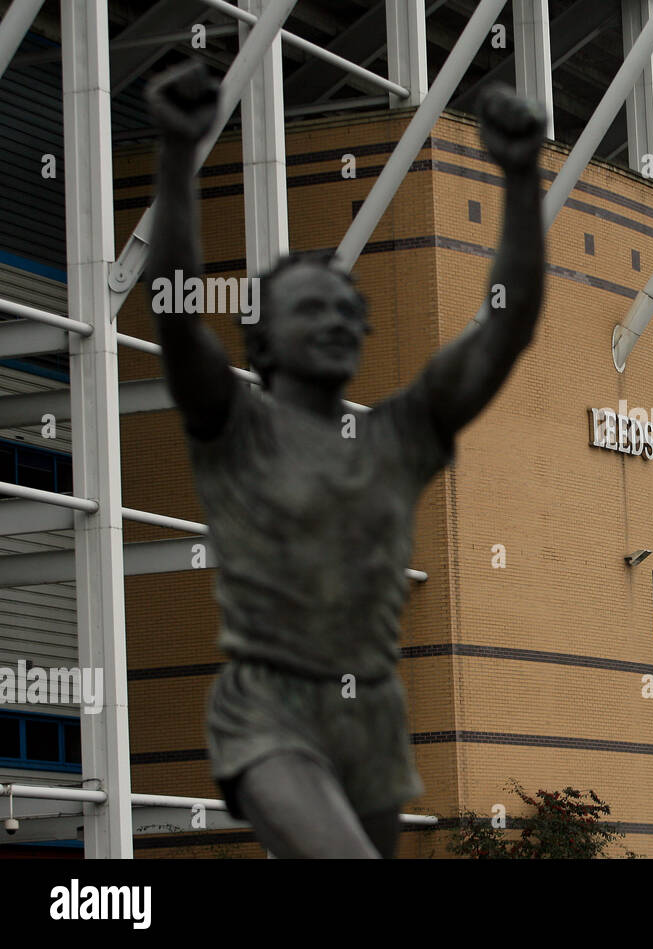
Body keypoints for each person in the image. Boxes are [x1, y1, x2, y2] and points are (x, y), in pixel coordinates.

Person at [143, 60, 547, 857]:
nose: (332, 319)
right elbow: (174, 309)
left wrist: (523, 179)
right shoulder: (236, 427)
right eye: (309, 307)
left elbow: (506, 326)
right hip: (268, 708)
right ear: (259, 340)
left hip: (372, 718)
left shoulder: (397, 438)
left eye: (345, 309)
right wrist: (178, 155)